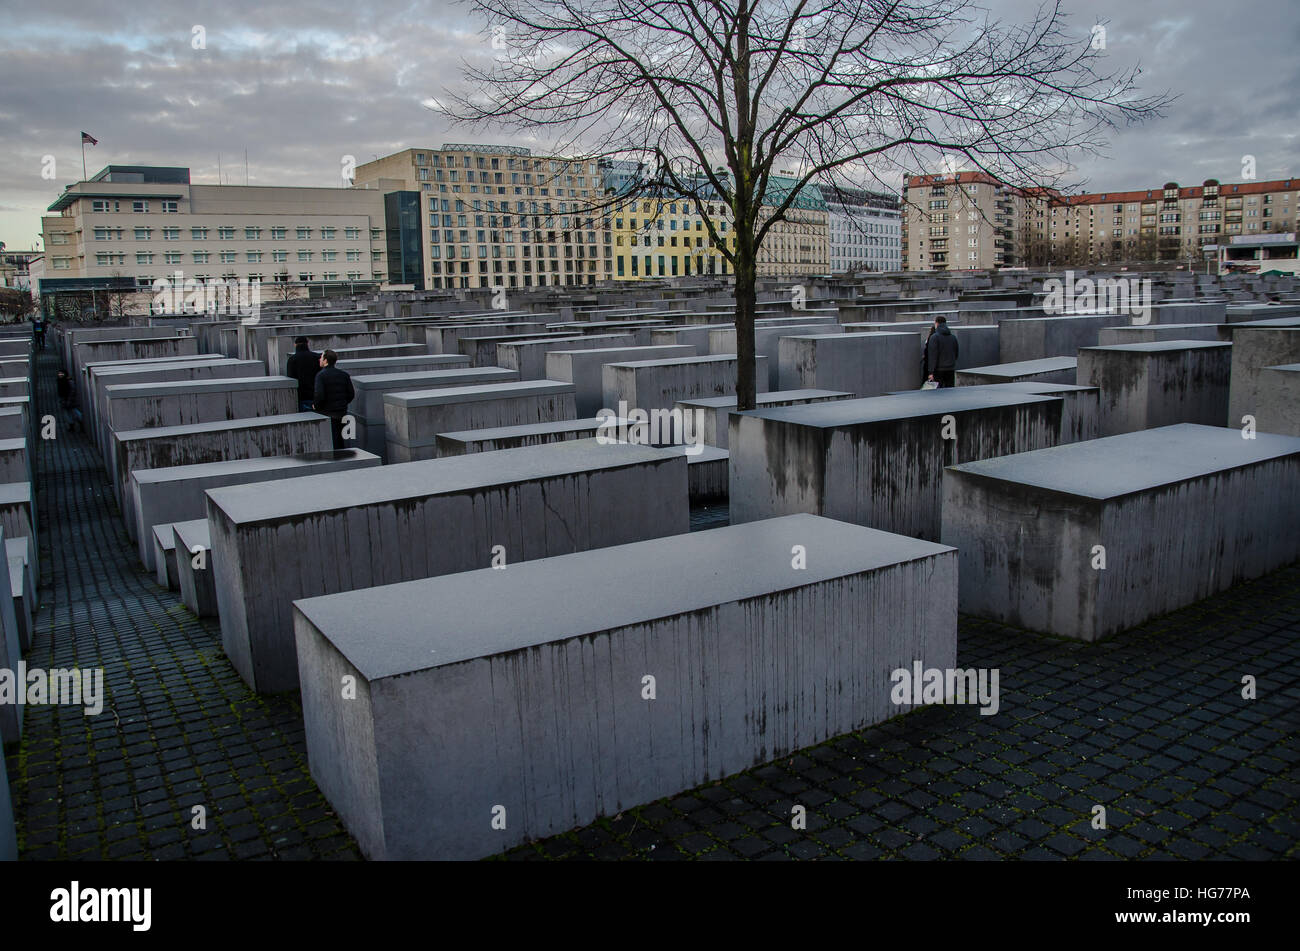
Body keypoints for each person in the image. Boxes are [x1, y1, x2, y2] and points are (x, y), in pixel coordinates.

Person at [312, 349, 354, 451]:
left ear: (326, 360)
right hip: (342, 412)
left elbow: (319, 395)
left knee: (331, 443)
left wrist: (316, 406)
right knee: (341, 441)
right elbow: (351, 394)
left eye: (321, 357)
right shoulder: (344, 375)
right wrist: (342, 403)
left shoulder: (321, 375)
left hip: (327, 414)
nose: (319, 359)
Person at [285, 336, 320, 412]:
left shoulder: (292, 359)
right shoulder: (317, 357)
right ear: (307, 344)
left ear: (295, 345)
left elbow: (291, 378)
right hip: (317, 395)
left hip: (301, 396)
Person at [924, 315, 959, 388]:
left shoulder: (934, 337)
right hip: (951, 369)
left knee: (938, 394)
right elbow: (956, 353)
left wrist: (931, 372)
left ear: (936, 323)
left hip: (938, 370)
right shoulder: (953, 337)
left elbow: (932, 356)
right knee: (950, 391)